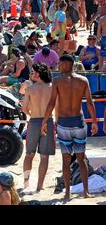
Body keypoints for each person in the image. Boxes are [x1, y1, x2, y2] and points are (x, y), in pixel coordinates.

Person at [42, 55, 98, 200]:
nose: (59, 67)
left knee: (66, 160)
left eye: (60, 64)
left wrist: (45, 121)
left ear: (67, 65)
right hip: (79, 122)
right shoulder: (83, 80)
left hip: (64, 123)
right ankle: (85, 192)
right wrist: (94, 121)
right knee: (81, 159)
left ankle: (67, 193)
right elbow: (90, 103)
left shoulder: (57, 81)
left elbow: (52, 103)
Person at [21, 63, 55, 193]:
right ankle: (40, 186)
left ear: (38, 73)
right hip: (48, 121)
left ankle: (26, 182)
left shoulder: (30, 89)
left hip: (34, 121)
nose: (31, 74)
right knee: (44, 156)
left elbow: (24, 108)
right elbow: (55, 106)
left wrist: (32, 114)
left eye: (32, 72)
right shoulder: (52, 87)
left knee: (29, 154)